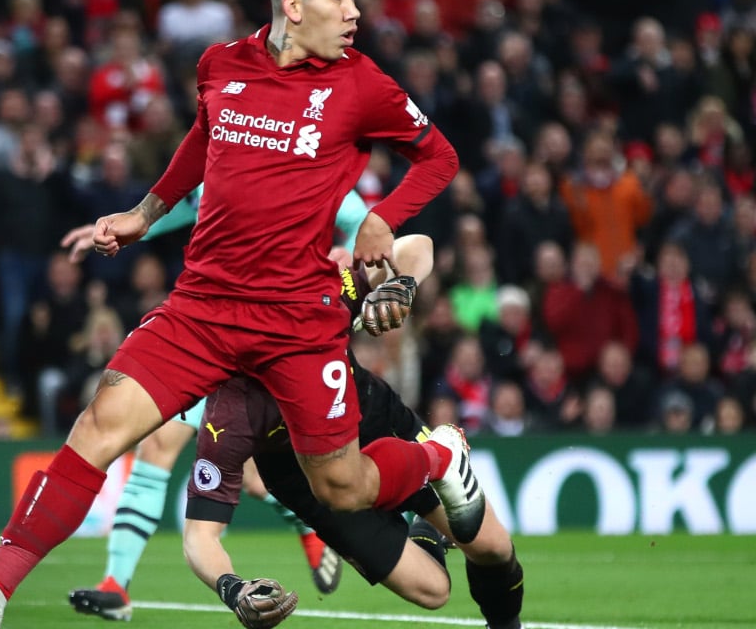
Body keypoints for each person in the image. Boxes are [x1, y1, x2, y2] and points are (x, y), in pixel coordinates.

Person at [0, 0, 477, 629]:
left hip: (296, 320)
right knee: (100, 424)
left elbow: (439, 158)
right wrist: (144, 214)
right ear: (293, 7)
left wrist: (382, 218)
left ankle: (438, 456)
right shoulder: (220, 66)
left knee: (343, 487)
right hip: (203, 306)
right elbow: (202, 142)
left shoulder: (362, 84)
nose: (355, 11)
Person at [59, 188, 370, 620]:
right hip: (206, 328)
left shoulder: (302, 161)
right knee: (158, 446)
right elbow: (173, 207)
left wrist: (347, 253)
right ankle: (117, 584)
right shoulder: (212, 162)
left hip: (270, 334)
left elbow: (360, 219)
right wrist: (125, 226)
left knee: (254, 476)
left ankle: (310, 522)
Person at [182, 250, 523, 629]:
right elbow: (198, 535)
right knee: (433, 591)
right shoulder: (227, 416)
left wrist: (401, 285)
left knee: (491, 548)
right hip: (313, 487)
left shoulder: (317, 293)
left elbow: (417, 247)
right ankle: (426, 523)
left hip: (373, 422)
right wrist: (232, 588)